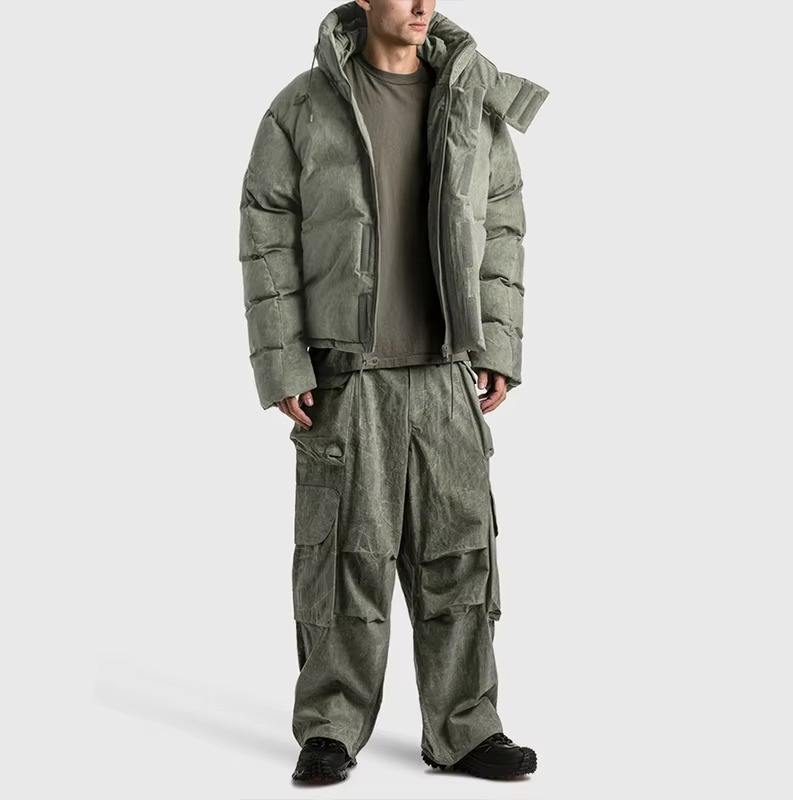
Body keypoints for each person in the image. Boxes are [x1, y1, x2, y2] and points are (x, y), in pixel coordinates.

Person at [237, 0, 548, 784]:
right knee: (345, 558)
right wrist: (284, 364)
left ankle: (465, 728)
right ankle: (330, 727)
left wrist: (499, 345)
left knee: (461, 555)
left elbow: (502, 224)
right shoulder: (302, 109)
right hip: (347, 378)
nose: (420, 5)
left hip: (447, 373)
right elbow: (265, 233)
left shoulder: (473, 101)